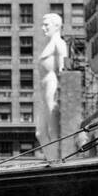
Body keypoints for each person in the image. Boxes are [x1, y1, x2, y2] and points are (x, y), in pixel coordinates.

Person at [35, 11, 69, 161]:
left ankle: (57, 159)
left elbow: (63, 66)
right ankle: (51, 159)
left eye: (46, 25)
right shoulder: (48, 44)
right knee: (40, 132)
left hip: (52, 85)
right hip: (43, 89)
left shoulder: (59, 43)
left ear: (56, 26)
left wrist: (63, 89)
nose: (43, 28)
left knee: (52, 128)